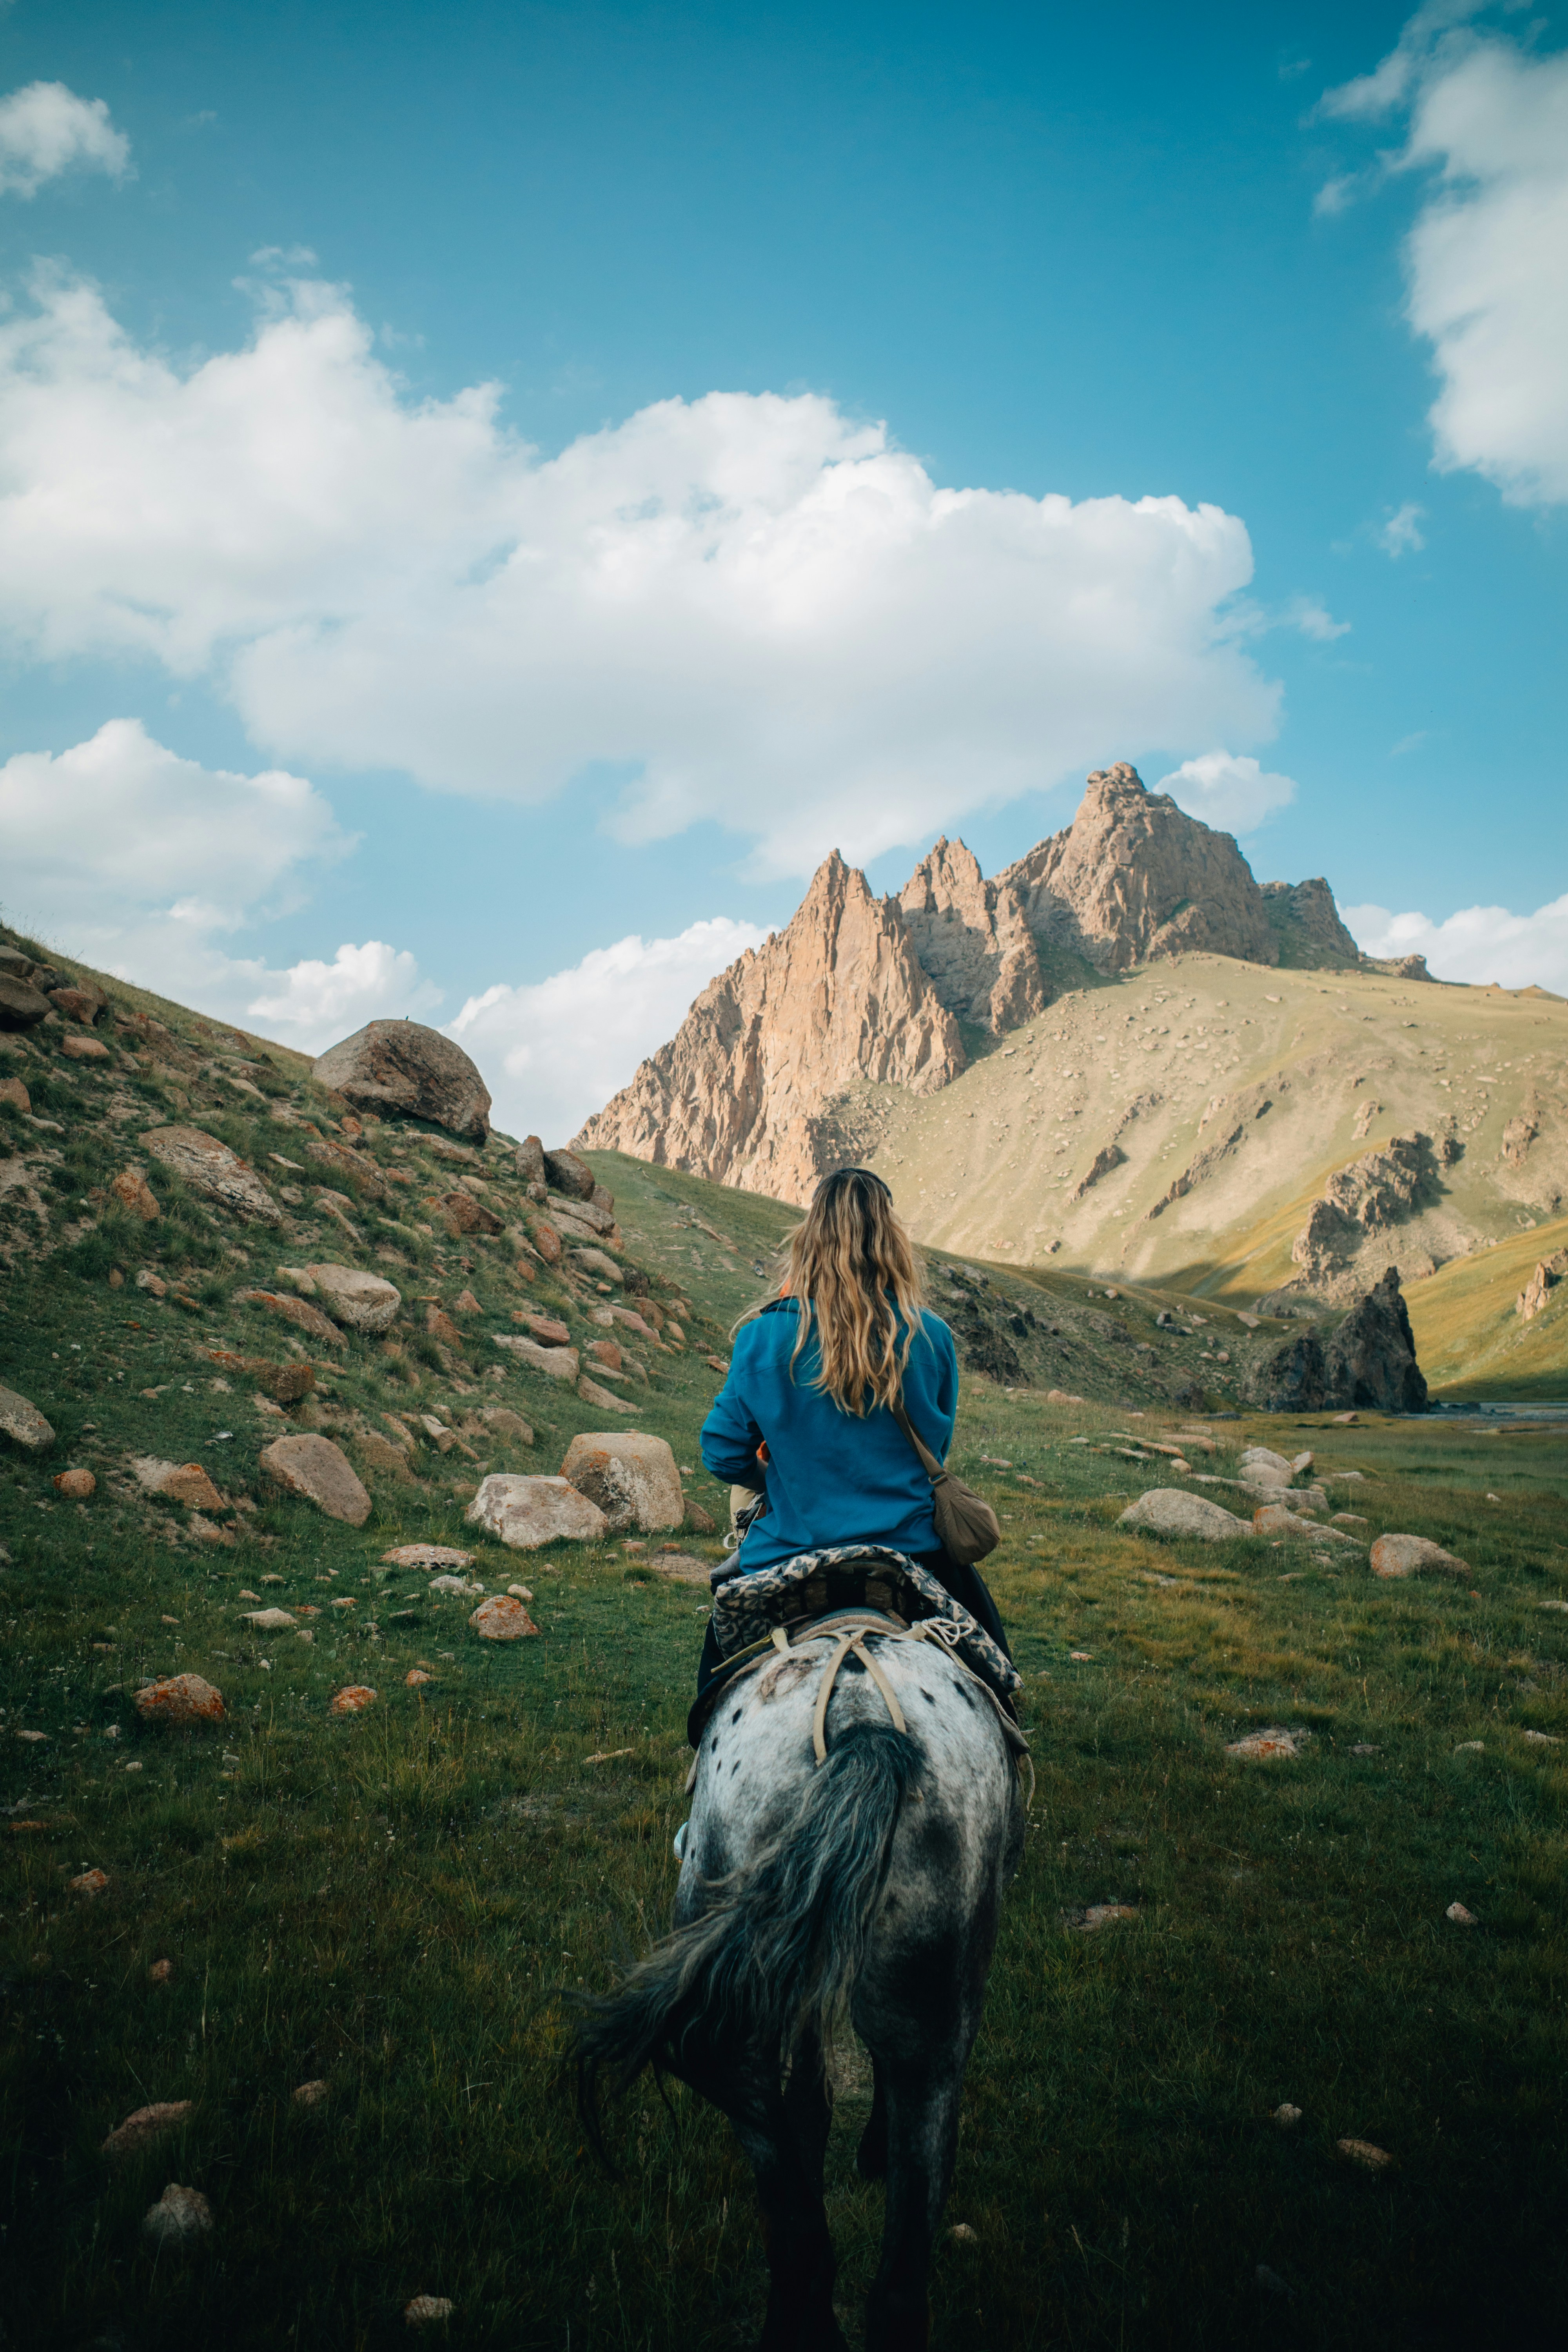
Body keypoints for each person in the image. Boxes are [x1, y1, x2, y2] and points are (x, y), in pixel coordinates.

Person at [695, 1165, 1013, 1722]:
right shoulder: (931, 1335)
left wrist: (774, 1480)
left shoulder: (764, 1335)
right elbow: (936, 1451)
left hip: (789, 1555)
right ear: (892, 1240)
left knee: (711, 1696)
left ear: (809, 1238)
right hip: (910, 1555)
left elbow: (722, 1453)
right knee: (997, 1679)